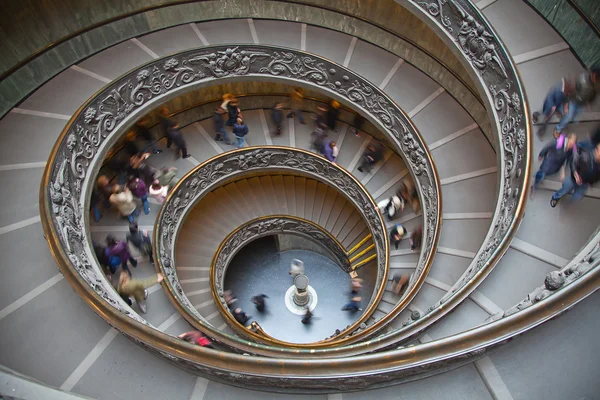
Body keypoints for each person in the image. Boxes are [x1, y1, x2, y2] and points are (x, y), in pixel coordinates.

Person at [551, 141, 600, 207]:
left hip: (585, 184)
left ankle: (569, 202)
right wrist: (575, 173)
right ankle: (555, 197)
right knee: (564, 189)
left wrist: (591, 183)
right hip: (573, 180)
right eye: (597, 149)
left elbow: (597, 177)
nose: (595, 150)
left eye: (597, 150)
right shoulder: (586, 155)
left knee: (577, 196)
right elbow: (573, 161)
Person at [553, 69, 599, 139]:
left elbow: (594, 94)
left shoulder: (597, 85)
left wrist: (589, 102)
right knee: (569, 117)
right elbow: (572, 90)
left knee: (574, 118)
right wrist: (567, 102)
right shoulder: (583, 79)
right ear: (594, 74)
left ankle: (562, 117)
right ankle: (558, 128)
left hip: (582, 103)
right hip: (574, 101)